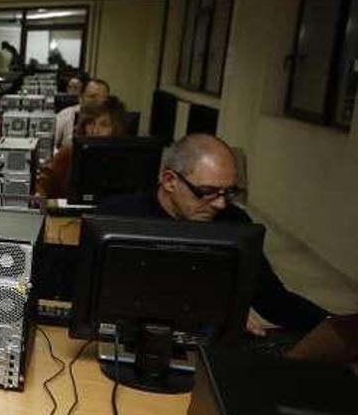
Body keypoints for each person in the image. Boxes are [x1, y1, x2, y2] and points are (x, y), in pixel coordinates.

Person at [97, 134, 332, 336]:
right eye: (207, 192)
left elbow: (273, 299)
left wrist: (333, 327)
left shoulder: (235, 223)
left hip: (206, 345)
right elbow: (100, 293)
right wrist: (205, 313)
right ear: (169, 181)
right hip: (127, 338)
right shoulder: (119, 216)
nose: (220, 204)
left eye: (228, 192)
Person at [35, 96, 127, 199]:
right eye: (91, 123)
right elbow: (43, 184)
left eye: (104, 125)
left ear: (116, 129)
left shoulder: (125, 158)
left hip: (109, 213)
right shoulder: (69, 151)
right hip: (69, 213)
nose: (95, 130)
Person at [54, 77, 109, 148]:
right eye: (93, 96)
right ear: (81, 98)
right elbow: (51, 144)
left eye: (103, 97)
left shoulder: (111, 120)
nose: (99, 101)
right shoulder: (66, 114)